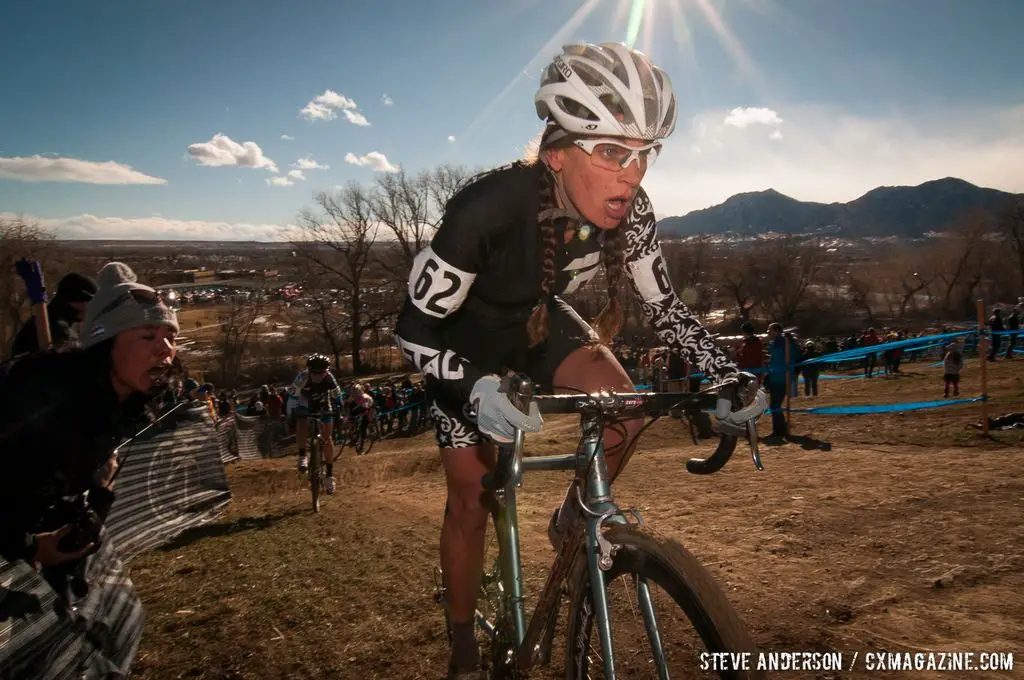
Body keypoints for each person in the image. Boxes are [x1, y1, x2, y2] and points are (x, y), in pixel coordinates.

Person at [393, 41, 766, 680]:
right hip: (461, 343)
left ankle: (574, 518)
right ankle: (461, 643)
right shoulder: (487, 207)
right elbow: (415, 328)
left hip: (539, 325)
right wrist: (472, 385)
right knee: (470, 501)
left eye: (645, 154)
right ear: (559, 155)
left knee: (625, 410)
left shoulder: (635, 214)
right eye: (613, 153)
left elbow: (669, 309)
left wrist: (727, 373)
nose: (632, 174)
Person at [0, 261, 177, 675]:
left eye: (172, 337)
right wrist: (29, 545)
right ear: (105, 342)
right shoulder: (38, 402)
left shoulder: (118, 400)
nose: (165, 349)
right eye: (148, 336)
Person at [9, 267, 97, 358]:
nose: (90, 308)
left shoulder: (40, 322)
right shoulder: (56, 328)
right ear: (75, 300)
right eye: (88, 302)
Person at [292, 354, 342, 493]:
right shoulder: (302, 378)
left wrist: (339, 413)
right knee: (300, 420)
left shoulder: (330, 378)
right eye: (315, 373)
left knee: (327, 437)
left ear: (327, 370)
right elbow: (292, 397)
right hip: (304, 401)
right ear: (309, 371)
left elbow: (337, 398)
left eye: (322, 372)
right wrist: (291, 413)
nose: (319, 376)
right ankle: (302, 455)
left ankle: (329, 475)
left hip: (323, 403)